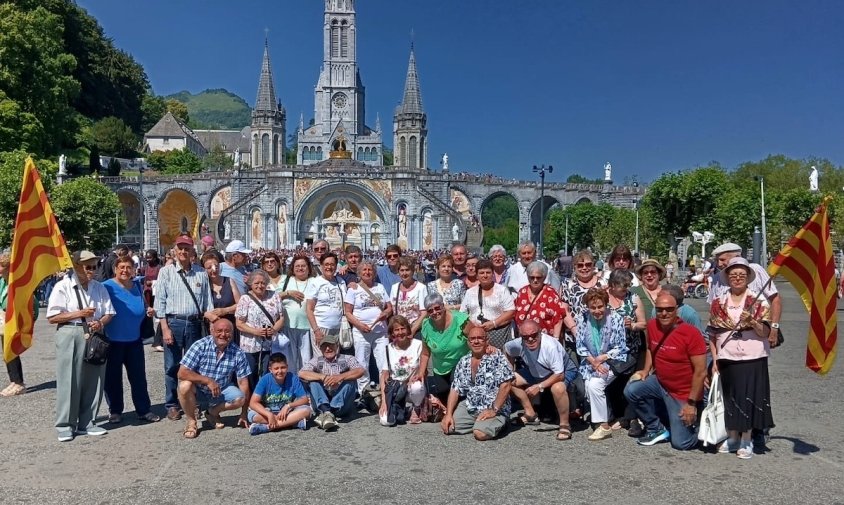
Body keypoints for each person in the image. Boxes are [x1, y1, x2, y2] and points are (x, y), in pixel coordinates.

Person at [707, 257, 774, 459]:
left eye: (742, 275)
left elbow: (764, 333)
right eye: (733, 275)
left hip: (753, 356)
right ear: (727, 277)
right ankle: (732, 436)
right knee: (731, 397)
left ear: (748, 278)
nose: (737, 279)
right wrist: (715, 359)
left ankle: (747, 439)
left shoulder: (759, 300)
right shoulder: (719, 302)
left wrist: (753, 322)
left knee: (750, 397)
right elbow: (713, 334)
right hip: (728, 356)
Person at [47, 250, 115, 442]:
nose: (92, 271)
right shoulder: (63, 287)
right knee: (69, 379)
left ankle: (88, 422)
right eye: (88, 267)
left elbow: (109, 312)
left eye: (95, 267)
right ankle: (65, 425)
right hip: (70, 332)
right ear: (77, 266)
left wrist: (100, 322)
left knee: (95, 378)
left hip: (95, 334)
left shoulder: (99, 288)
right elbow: (52, 317)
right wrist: (80, 313)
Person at [624, 291, 707, 450]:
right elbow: (650, 348)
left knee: (681, 443)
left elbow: (700, 371)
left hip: (683, 392)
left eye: (669, 309)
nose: (664, 313)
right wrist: (645, 370)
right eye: (660, 309)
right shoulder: (652, 325)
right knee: (632, 389)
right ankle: (656, 428)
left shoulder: (691, 333)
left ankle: (705, 429)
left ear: (677, 309)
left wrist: (691, 403)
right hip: (661, 382)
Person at [153, 234, 216, 422]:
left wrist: (212, 323)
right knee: (171, 366)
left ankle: (191, 402)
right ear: (174, 250)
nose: (183, 251)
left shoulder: (200, 273)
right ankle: (172, 404)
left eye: (186, 248)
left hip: (195, 323)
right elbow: (160, 304)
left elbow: (208, 303)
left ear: (192, 252)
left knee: (193, 366)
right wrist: (164, 328)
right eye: (180, 248)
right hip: (174, 322)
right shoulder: (166, 272)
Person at [101, 256, 160, 423]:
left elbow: (140, 306)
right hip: (113, 341)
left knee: (138, 377)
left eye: (128, 267)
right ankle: (115, 411)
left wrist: (147, 309)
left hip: (134, 341)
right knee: (112, 378)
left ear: (134, 270)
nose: (125, 270)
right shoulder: (106, 287)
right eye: (121, 267)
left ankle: (143, 410)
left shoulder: (136, 286)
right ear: (115, 269)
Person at [177, 318, 252, 438]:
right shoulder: (200, 345)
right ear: (212, 331)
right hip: (199, 390)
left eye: (227, 332)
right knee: (184, 386)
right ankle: (191, 421)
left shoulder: (238, 352)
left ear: (232, 334)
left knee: (240, 398)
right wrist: (207, 380)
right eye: (219, 331)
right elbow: (182, 373)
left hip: (221, 391)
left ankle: (212, 412)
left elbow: (243, 383)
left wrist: (244, 413)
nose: (223, 334)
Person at [506, 320, 579, 440]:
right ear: (521, 336)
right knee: (508, 380)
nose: (530, 339)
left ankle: (565, 424)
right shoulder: (517, 344)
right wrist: (510, 368)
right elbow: (507, 350)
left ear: (540, 332)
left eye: (534, 335)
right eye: (526, 337)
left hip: (562, 372)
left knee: (558, 388)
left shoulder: (550, 345)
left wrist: (539, 386)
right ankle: (530, 413)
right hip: (536, 371)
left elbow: (559, 375)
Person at [440, 325, 513, 441]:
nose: (476, 341)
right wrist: (448, 414)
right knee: (448, 428)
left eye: (480, 338)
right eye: (472, 339)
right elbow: (455, 389)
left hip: (493, 407)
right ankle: (480, 423)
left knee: (480, 434)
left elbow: (506, 385)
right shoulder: (464, 361)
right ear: (468, 342)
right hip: (471, 405)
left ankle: (499, 423)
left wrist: (494, 410)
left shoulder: (497, 357)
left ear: (487, 341)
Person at [574, 288, 627, 441]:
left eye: (600, 306)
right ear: (588, 307)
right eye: (593, 307)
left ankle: (603, 426)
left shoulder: (616, 318)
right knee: (589, 383)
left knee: (595, 384)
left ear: (606, 304)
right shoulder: (582, 318)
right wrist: (593, 361)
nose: (597, 311)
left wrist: (601, 358)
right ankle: (603, 420)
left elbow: (620, 347)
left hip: (613, 360)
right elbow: (580, 346)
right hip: (590, 360)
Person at [708, 243, 782, 349]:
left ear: (737, 257)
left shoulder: (755, 270)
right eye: (717, 260)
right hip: (726, 340)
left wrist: (774, 328)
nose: (719, 264)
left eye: (722, 259)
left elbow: (775, 299)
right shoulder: (716, 278)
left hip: (755, 336)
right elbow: (712, 311)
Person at [604, 269, 647, 434]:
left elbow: (644, 323)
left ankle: (630, 418)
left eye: (628, 285)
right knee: (611, 384)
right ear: (612, 285)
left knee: (627, 382)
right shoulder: (604, 297)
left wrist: (633, 325)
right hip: (608, 348)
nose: (626, 289)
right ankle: (616, 416)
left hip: (630, 348)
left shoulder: (633, 298)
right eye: (623, 286)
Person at [298, 332, 365, 430]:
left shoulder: (348, 358)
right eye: (325, 347)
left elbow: (360, 370)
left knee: (350, 381)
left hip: (342, 405)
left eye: (330, 346)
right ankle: (327, 411)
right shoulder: (316, 360)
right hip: (323, 400)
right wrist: (323, 377)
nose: (328, 349)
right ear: (320, 349)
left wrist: (340, 377)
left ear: (337, 346)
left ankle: (329, 411)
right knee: (313, 382)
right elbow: (301, 373)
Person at [344, 259, 392, 393]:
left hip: (380, 331)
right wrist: (359, 325)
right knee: (362, 363)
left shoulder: (380, 287)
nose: (367, 272)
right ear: (359, 273)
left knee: (383, 362)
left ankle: (385, 389)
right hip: (361, 332)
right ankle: (364, 391)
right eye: (364, 270)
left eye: (370, 270)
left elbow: (389, 307)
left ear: (374, 273)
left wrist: (386, 313)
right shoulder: (354, 289)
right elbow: (347, 312)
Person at [417, 292, 472, 409]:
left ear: (443, 306)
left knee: (456, 389)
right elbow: (425, 353)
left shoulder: (460, 319)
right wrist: (421, 372)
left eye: (437, 308)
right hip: (440, 368)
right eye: (430, 311)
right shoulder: (426, 326)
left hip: (462, 363)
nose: (435, 312)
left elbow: (476, 337)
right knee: (443, 396)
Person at [236, 270, 286, 390]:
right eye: (256, 283)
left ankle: (264, 396)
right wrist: (255, 332)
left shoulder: (274, 296)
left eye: (263, 283)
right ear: (251, 284)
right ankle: (252, 398)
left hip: (269, 343)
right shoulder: (245, 299)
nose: (260, 286)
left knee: (267, 371)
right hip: (250, 343)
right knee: (251, 372)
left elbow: (281, 318)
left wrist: (273, 330)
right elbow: (239, 323)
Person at [247, 352, 312, 434]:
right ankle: (291, 423)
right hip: (269, 411)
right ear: (270, 369)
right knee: (252, 415)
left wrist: (288, 406)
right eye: (276, 368)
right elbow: (253, 403)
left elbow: (304, 399)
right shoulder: (264, 380)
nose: (280, 371)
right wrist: (269, 415)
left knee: (307, 411)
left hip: (287, 412)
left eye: (283, 367)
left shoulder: (293, 378)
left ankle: (268, 428)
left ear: (287, 367)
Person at [379, 316, 426, 426]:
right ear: (392, 333)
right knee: (386, 421)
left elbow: (424, 367)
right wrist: (384, 402)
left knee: (417, 386)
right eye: (396, 330)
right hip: (395, 388)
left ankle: (416, 408)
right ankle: (401, 410)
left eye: (402, 328)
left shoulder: (418, 344)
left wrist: (417, 375)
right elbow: (384, 375)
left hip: (411, 386)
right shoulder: (388, 349)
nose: (400, 332)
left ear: (408, 329)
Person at [513, 261, 575, 340]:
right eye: (532, 277)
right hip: (525, 340)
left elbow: (558, 318)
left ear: (544, 277)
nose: (535, 280)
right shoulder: (522, 292)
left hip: (545, 341)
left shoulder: (550, 293)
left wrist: (555, 339)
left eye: (538, 277)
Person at [461, 259, 515, 349]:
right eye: (481, 273)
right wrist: (472, 325)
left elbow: (510, 311)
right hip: (476, 336)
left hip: (498, 334)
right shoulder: (470, 292)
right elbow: (462, 313)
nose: (485, 276)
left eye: (488, 272)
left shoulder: (502, 290)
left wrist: (494, 323)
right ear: (477, 275)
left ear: (492, 274)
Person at [277, 254, 314, 371]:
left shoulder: (314, 281)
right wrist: (288, 293)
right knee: (290, 359)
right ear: (292, 268)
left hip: (307, 327)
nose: (300, 268)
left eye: (303, 266)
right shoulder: (286, 280)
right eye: (297, 266)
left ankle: (305, 384)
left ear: (309, 268)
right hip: (288, 326)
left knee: (306, 359)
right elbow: (274, 297)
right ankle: (291, 383)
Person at [0, 252, 30, 396]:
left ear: (8, 268)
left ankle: (19, 383)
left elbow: (30, 303)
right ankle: (13, 381)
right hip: (2, 322)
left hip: (14, 321)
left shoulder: (16, 282)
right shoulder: (2, 282)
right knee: (6, 353)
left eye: (1, 266)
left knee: (12, 352)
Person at [305, 252, 347, 353]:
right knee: (321, 359)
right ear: (321, 266)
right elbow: (309, 309)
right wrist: (316, 330)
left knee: (335, 358)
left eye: (332, 264)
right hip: (321, 327)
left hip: (338, 327)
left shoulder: (341, 282)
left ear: (336, 266)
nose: (329, 267)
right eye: (326, 264)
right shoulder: (315, 282)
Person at [202, 249, 241, 342]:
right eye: (209, 267)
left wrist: (225, 310)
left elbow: (240, 304)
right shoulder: (203, 284)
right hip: (211, 328)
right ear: (204, 269)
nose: (213, 270)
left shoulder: (229, 281)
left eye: (216, 266)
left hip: (229, 326)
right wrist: (207, 314)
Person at [389, 256, 428, 336]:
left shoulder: (421, 288)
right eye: (402, 270)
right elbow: (392, 310)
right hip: (399, 331)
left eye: (407, 270)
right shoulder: (394, 287)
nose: (404, 273)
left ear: (413, 271)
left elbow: (424, 312)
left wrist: (412, 330)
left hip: (416, 331)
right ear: (398, 272)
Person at [143, 249, 164, 352]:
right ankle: (149, 333)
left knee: (157, 313)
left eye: (150, 257)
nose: (148, 259)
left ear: (155, 258)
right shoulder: (145, 267)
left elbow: (162, 281)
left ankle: (158, 336)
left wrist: (153, 282)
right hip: (147, 292)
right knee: (148, 313)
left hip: (156, 292)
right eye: (146, 257)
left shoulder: (160, 268)